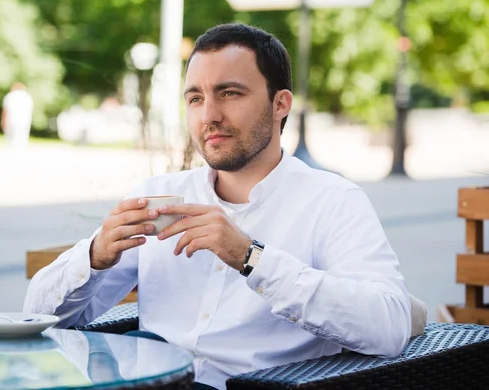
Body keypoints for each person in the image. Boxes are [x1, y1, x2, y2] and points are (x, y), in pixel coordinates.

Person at [24, 23, 412, 390]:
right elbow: (38, 318)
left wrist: (251, 258)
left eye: (230, 93)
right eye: (195, 98)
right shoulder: (159, 195)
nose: (209, 115)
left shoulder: (331, 200)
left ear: (280, 104)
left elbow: (390, 326)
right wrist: (94, 257)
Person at [1, 82, 33, 148]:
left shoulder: (9, 96)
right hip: (25, 121)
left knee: (10, 141)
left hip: (11, 120)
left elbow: (5, 111)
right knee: (22, 140)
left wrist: (3, 121)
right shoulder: (27, 96)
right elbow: (31, 110)